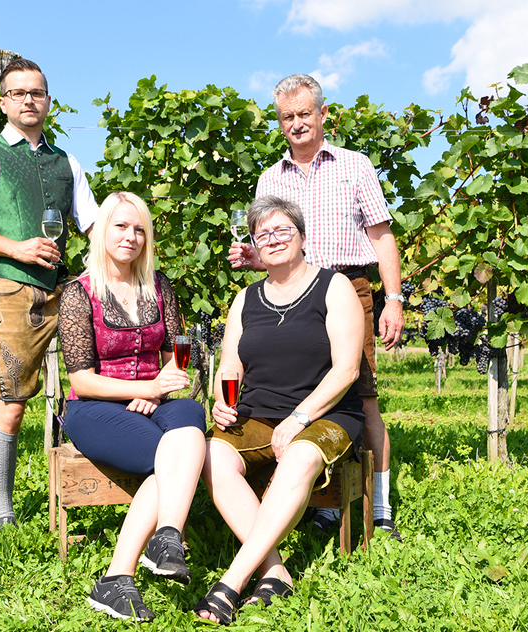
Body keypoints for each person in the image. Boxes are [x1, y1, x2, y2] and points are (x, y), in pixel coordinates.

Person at [230, 74, 404, 539]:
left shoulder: (354, 165)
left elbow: (381, 235)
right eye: (288, 117)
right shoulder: (271, 178)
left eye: (305, 113)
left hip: (348, 290)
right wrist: (253, 258)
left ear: (323, 114)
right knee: (302, 394)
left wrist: (394, 299)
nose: (297, 123)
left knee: (361, 398)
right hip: (291, 295)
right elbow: (270, 245)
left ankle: (380, 506)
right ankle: (319, 500)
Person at [0, 59, 99, 529]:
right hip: (8, 289)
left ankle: (97, 487)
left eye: (38, 92)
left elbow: (92, 225)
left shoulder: (66, 161)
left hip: (64, 290)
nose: (30, 100)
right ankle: (3, 515)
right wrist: (17, 247)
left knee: (93, 387)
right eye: (20, 93)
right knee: (11, 403)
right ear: (4, 101)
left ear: (48, 101)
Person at [196, 196, 365, 625]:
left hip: (325, 416)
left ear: (302, 238)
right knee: (212, 454)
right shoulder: (245, 299)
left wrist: (299, 418)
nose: (272, 240)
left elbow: (346, 370)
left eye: (282, 230)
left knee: (301, 454)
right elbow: (231, 365)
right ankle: (275, 570)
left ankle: (231, 582)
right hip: (256, 413)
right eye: (262, 234)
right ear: (254, 243)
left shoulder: (333, 287)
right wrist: (222, 400)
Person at [58, 191, 206, 622]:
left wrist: (165, 381)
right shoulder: (79, 293)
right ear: (102, 229)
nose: (131, 236)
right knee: (171, 454)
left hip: (154, 397)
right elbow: (80, 378)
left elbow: (175, 355)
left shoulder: (158, 287)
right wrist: (140, 387)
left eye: (139, 228)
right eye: (121, 226)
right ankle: (117, 576)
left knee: (190, 417)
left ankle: (166, 538)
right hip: (94, 407)